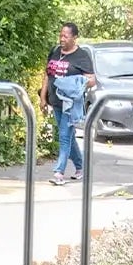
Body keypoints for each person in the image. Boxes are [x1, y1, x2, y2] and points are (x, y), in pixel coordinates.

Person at [44, 23, 97, 185]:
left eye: (66, 36)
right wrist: (42, 97)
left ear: (74, 38)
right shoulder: (54, 51)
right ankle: (81, 167)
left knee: (64, 137)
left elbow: (92, 80)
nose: (62, 39)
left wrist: (76, 82)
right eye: (60, 35)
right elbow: (47, 75)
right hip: (55, 102)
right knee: (69, 137)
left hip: (70, 104)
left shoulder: (81, 56)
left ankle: (59, 172)